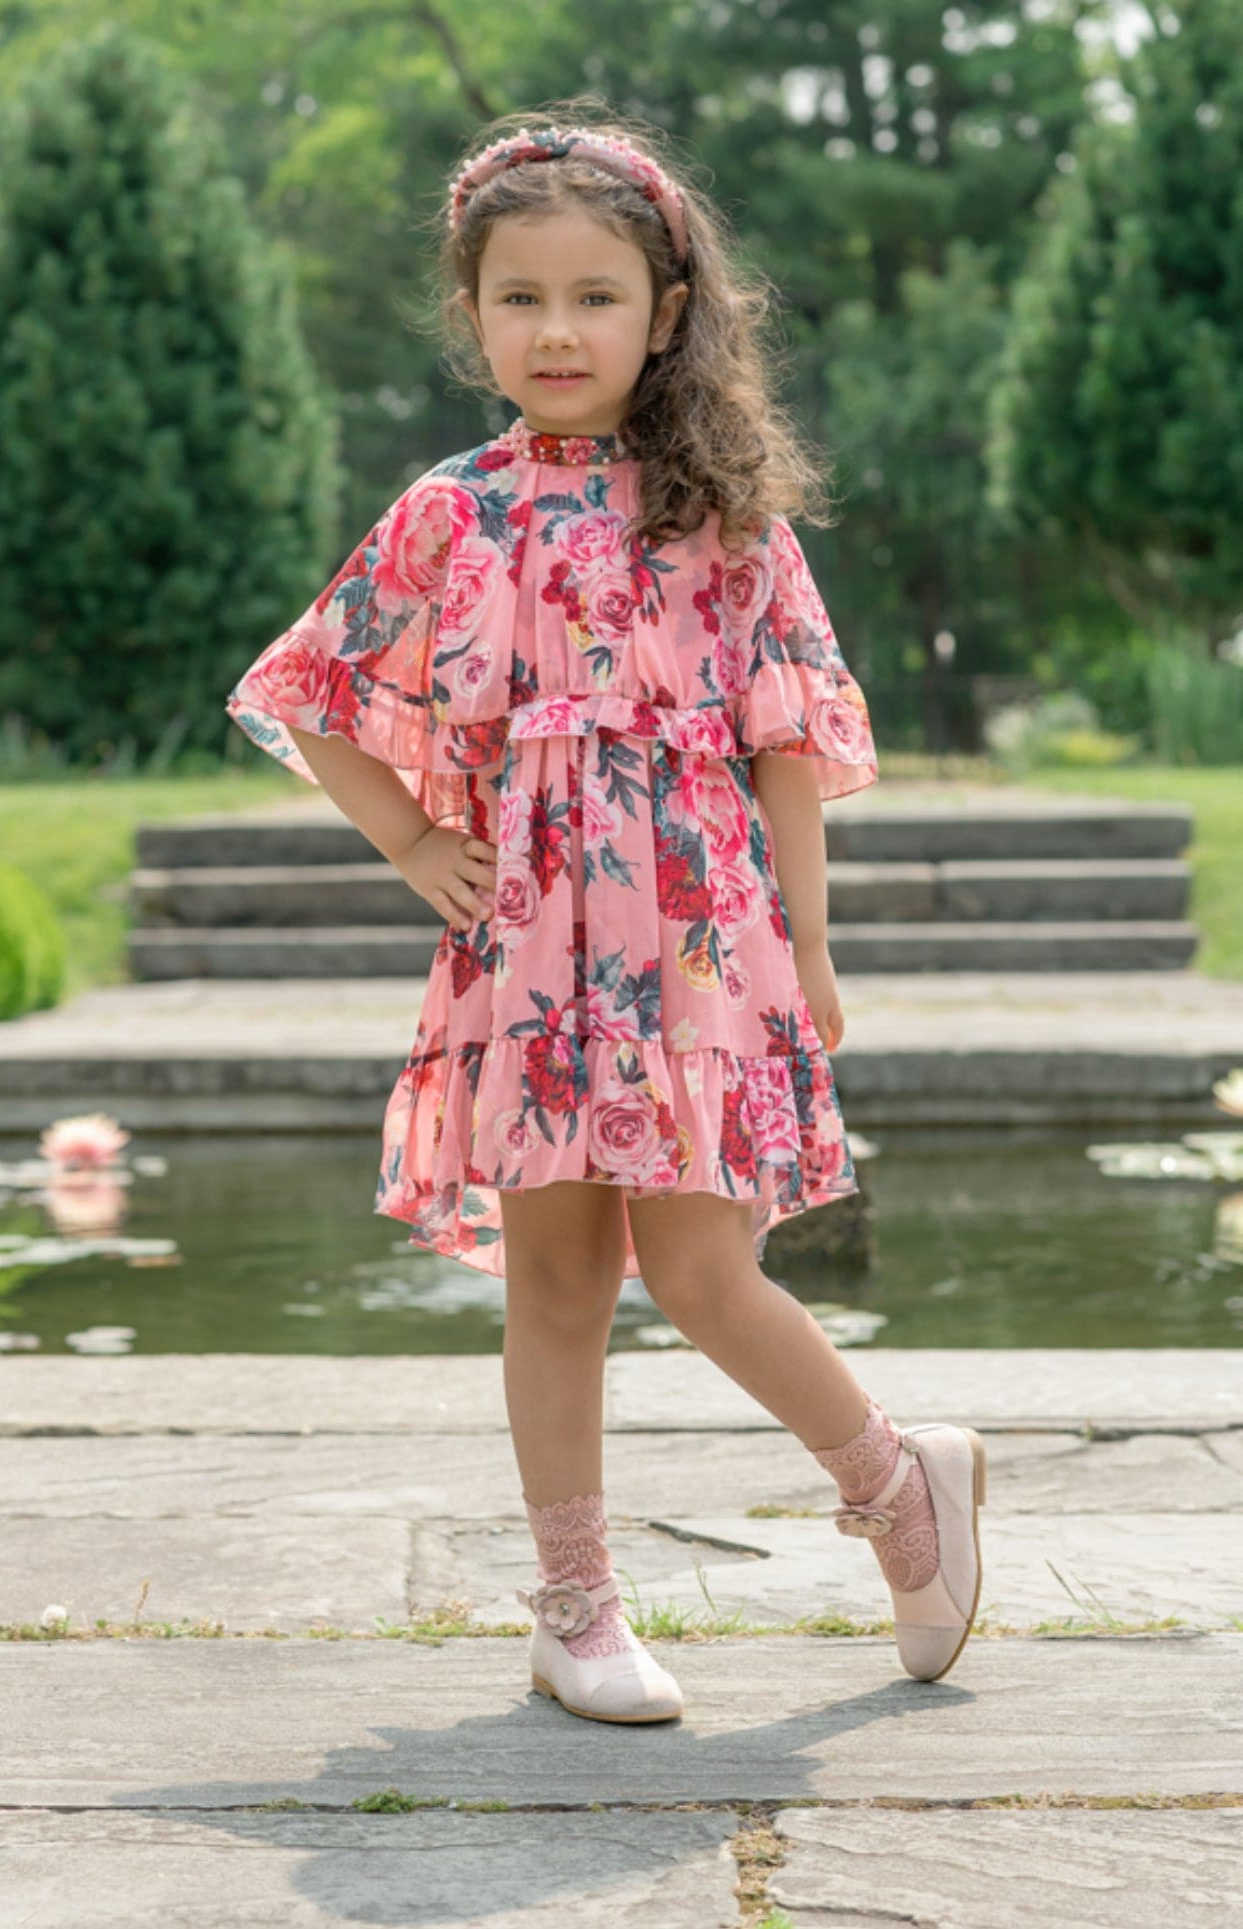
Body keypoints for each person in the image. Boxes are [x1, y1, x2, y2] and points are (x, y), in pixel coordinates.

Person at [225, 103, 986, 1727]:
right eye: (519, 298)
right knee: (554, 1279)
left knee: (708, 1274)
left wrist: (809, 942)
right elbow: (313, 691)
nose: (557, 330)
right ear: (472, 312)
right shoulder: (451, 510)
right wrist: (418, 841)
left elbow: (787, 738)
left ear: (664, 313)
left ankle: (898, 1484)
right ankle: (576, 1606)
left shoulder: (723, 512)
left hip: (699, 933)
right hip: (529, 941)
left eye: (594, 297)